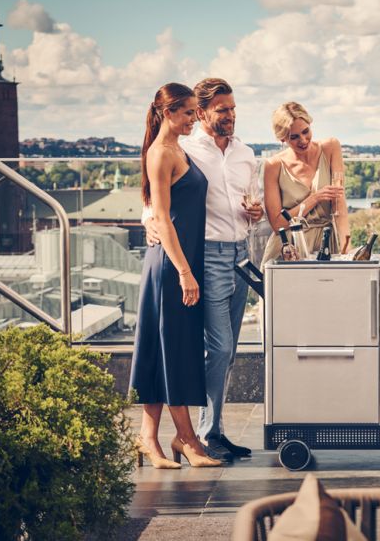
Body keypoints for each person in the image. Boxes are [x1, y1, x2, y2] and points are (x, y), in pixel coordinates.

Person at [144, 78, 261, 461]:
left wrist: (254, 213)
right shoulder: (185, 147)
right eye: (221, 110)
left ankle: (214, 430)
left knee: (227, 352)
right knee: (220, 345)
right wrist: (150, 220)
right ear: (203, 111)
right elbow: (159, 198)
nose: (230, 116)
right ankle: (203, 432)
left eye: (233, 109)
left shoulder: (246, 154)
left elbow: (252, 202)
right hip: (205, 255)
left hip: (241, 253)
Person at [130, 82, 220, 469]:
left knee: (163, 349)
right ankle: (188, 441)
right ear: (168, 113)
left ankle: (149, 439)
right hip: (172, 266)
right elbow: (162, 217)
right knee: (175, 350)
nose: (193, 119)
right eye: (187, 113)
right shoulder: (161, 153)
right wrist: (185, 272)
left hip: (177, 262)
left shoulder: (175, 149)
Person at [261, 102, 349, 262]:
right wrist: (314, 198)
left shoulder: (331, 148)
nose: (303, 140)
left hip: (327, 243)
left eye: (305, 131)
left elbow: (339, 207)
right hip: (290, 248)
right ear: (282, 138)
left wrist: (346, 249)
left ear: (310, 124)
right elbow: (277, 224)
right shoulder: (273, 166)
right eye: (293, 137)